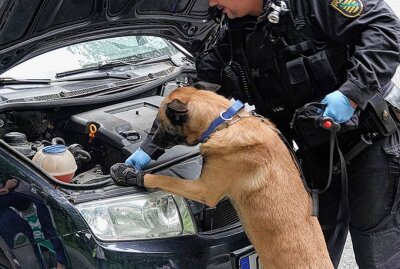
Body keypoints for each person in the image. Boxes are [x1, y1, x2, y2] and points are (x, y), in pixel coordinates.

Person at [114, 0, 400, 267]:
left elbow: (386, 30)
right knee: (309, 249)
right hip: (316, 154)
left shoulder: (310, 4)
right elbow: (193, 98)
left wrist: (351, 94)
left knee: (376, 248)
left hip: (368, 143)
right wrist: (150, 148)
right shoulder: (233, 34)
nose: (213, 4)